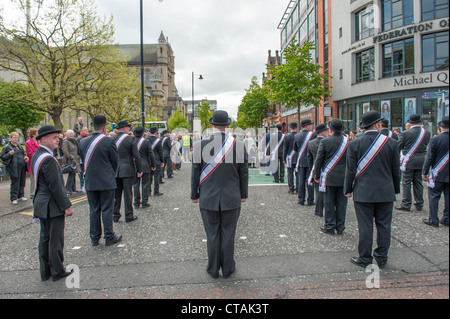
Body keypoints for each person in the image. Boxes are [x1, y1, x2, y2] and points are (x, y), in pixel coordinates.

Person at [191, 110, 248, 279]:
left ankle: (213, 268)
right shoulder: (238, 144)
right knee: (229, 233)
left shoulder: (200, 144)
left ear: (211, 125)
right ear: (228, 125)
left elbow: (195, 172)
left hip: (208, 197)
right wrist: (243, 194)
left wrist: (194, 194)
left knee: (212, 234)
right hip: (232, 196)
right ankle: (228, 268)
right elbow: (243, 172)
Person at [344, 111, 401, 268]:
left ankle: (365, 257)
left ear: (363, 126)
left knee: (365, 226)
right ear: (377, 125)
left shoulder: (354, 144)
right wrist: (395, 188)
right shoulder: (391, 143)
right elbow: (396, 170)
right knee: (384, 225)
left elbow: (350, 170)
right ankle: (382, 257)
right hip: (385, 191)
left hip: (363, 192)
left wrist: (348, 189)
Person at [31, 125, 73, 281]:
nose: (58, 140)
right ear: (43, 139)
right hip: (51, 204)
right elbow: (56, 186)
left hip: (42, 202)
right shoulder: (48, 159)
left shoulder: (37, 154)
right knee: (55, 239)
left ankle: (45, 271)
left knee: (45, 238)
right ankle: (57, 270)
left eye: (58, 137)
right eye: (54, 138)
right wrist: (66, 205)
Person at [80, 115, 122, 246]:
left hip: (90, 180)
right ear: (104, 128)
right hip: (105, 180)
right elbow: (115, 162)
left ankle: (94, 237)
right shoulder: (108, 141)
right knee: (107, 209)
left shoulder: (83, 142)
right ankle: (109, 236)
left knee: (94, 209)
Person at [314, 119, 349, 235]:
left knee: (329, 202)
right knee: (342, 204)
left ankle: (329, 226)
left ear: (330, 129)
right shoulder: (348, 141)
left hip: (329, 177)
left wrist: (317, 175)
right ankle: (340, 227)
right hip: (344, 177)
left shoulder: (325, 141)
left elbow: (319, 160)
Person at [396, 114, 431, 212]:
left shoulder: (405, 133)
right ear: (419, 122)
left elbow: (398, 147)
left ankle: (406, 204)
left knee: (406, 182)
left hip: (409, 160)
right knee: (418, 182)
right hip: (421, 160)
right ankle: (419, 203)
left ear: (410, 123)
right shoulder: (427, 133)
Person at [112, 121, 143, 223]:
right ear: (124, 128)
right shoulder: (130, 139)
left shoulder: (112, 139)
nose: (129, 129)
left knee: (116, 195)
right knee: (128, 194)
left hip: (116, 170)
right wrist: (139, 170)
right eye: (128, 128)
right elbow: (136, 156)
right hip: (127, 169)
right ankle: (129, 215)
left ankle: (115, 215)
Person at [422, 116, 449, 227]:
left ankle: (433, 219)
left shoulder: (436, 139)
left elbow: (429, 157)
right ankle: (447, 219)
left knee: (433, 196)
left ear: (440, 127)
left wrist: (425, 171)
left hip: (438, 173)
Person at [307, 124, 329, 217]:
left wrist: (312, 169)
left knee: (317, 190)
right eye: (327, 131)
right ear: (323, 132)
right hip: (327, 168)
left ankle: (318, 210)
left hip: (315, 169)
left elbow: (309, 158)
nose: (328, 132)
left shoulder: (311, 143)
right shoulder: (327, 142)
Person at [0, 132, 29, 204]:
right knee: (15, 183)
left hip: (22, 166)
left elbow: (23, 154)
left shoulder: (19, 146)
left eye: (17, 137)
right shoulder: (7, 147)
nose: (16, 139)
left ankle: (21, 195)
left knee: (22, 181)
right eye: (14, 137)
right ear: (10, 138)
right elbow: (3, 157)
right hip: (14, 167)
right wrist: (9, 154)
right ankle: (13, 198)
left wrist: (25, 157)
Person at [133, 126, 156, 209]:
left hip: (135, 165)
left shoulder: (132, 141)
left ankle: (136, 202)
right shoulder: (146, 142)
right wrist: (153, 165)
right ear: (142, 133)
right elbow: (151, 154)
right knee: (145, 184)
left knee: (135, 185)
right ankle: (144, 202)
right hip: (145, 165)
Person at [294, 119, 317, 205]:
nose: (311, 126)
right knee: (310, 181)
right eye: (310, 125)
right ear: (307, 126)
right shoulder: (313, 135)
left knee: (301, 181)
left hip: (300, 161)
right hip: (310, 161)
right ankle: (310, 200)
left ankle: (301, 199)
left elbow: (295, 149)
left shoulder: (297, 136)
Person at [61, 129, 81, 195]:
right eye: (70, 134)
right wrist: (70, 157)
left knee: (74, 173)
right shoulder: (66, 141)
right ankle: (67, 189)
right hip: (70, 160)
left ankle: (73, 188)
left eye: (72, 134)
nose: (72, 135)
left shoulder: (74, 141)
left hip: (75, 158)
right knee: (71, 173)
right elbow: (65, 150)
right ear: (68, 135)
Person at [147, 127, 164, 196]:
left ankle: (148, 192)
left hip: (148, 161)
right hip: (156, 160)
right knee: (156, 177)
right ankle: (156, 191)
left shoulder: (146, 140)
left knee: (149, 177)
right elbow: (160, 152)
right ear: (156, 132)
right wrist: (162, 161)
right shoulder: (158, 140)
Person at [283, 122, 299, 194]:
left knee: (290, 174)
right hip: (298, 158)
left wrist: (284, 158)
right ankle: (298, 188)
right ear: (296, 128)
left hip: (290, 158)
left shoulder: (287, 137)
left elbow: (285, 149)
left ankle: (291, 188)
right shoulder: (299, 136)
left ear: (290, 128)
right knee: (298, 174)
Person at [25, 128, 40, 199]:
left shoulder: (38, 141)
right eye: (37, 133)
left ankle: (39, 190)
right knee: (33, 178)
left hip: (40, 161)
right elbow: (30, 153)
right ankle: (32, 193)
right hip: (33, 162)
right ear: (33, 135)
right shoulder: (28, 143)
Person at [76, 127, 90, 191]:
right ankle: (82, 185)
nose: (87, 131)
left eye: (87, 130)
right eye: (85, 130)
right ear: (81, 131)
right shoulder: (79, 139)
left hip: (88, 157)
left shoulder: (89, 137)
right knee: (82, 172)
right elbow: (79, 149)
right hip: (82, 158)